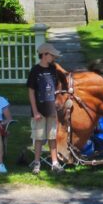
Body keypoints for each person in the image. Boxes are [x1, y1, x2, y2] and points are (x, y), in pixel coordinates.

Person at [27, 42, 65, 175]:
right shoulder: (35, 71)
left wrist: (57, 103)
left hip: (52, 110)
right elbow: (31, 92)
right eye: (52, 55)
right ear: (44, 55)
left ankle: (55, 163)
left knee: (52, 137)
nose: (54, 57)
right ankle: (37, 163)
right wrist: (35, 111)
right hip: (39, 112)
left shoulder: (53, 69)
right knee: (38, 138)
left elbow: (58, 86)